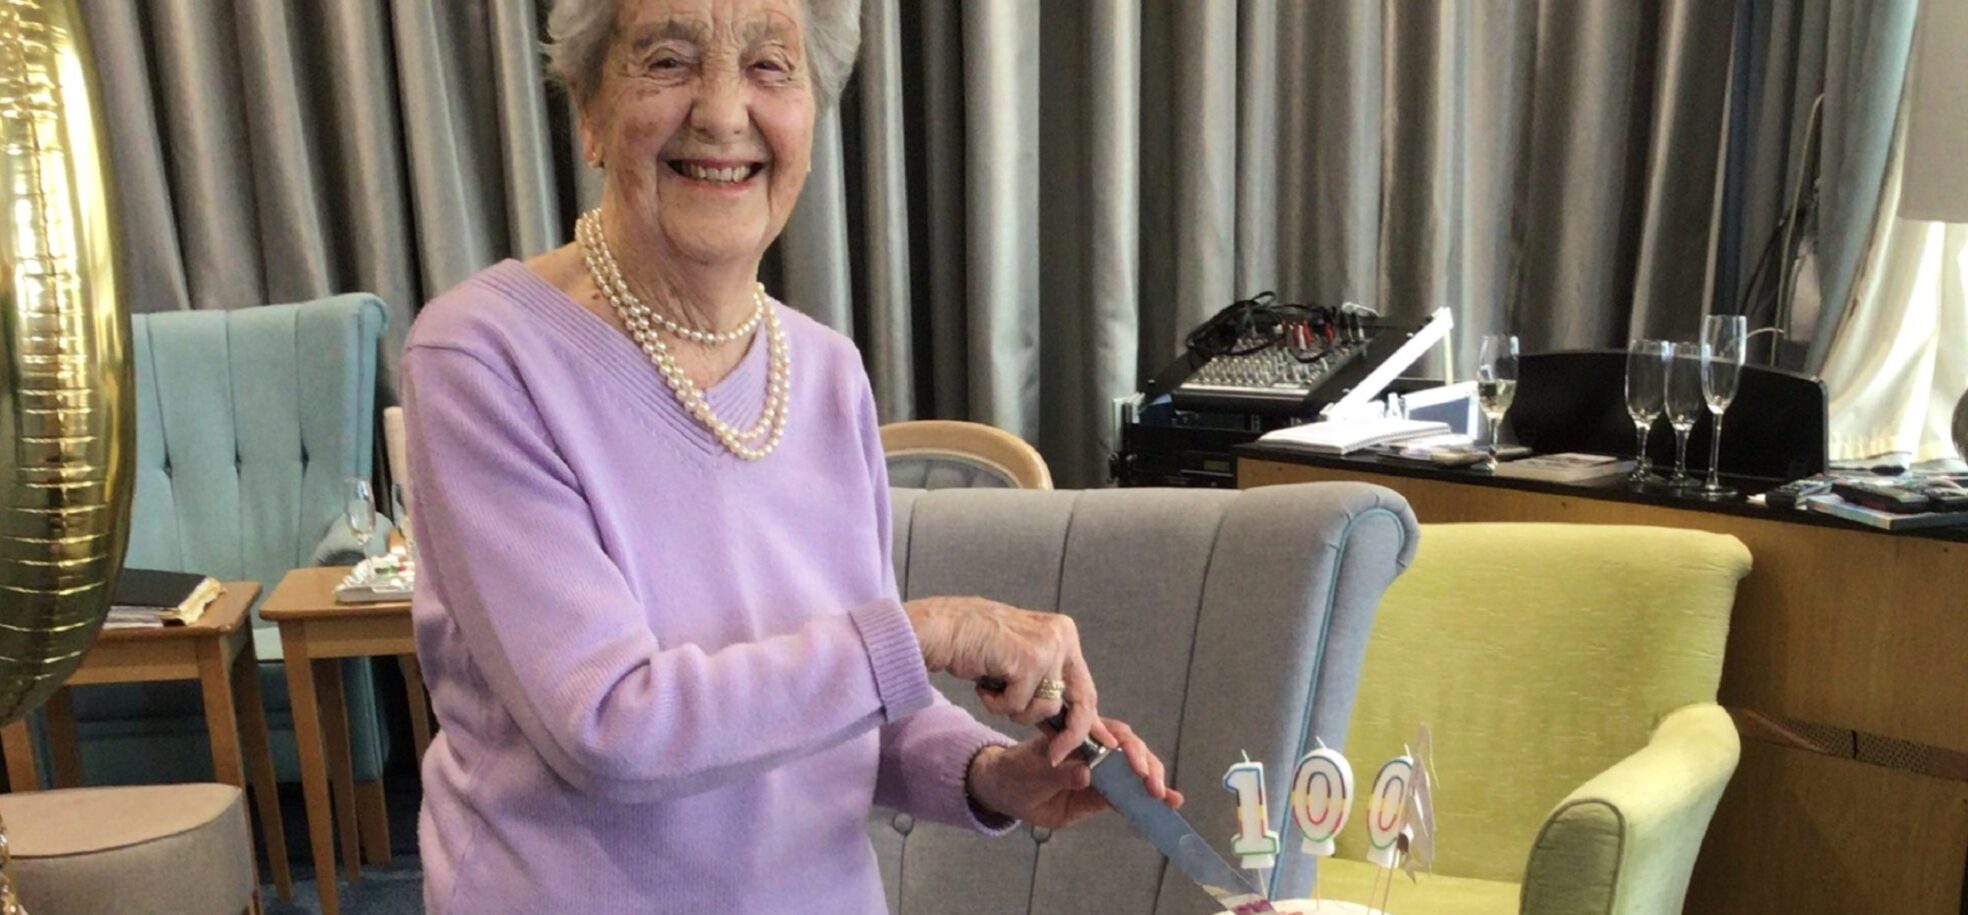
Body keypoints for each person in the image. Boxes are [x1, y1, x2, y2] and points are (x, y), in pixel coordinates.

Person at [399, 0, 1180, 910]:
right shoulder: (481, 356)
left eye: (772, 67)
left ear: (810, 116)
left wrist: (993, 773)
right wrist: (928, 632)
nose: (724, 113)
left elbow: (852, 702)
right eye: (667, 60)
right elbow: (610, 726)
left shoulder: (823, 372)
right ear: (589, 111)